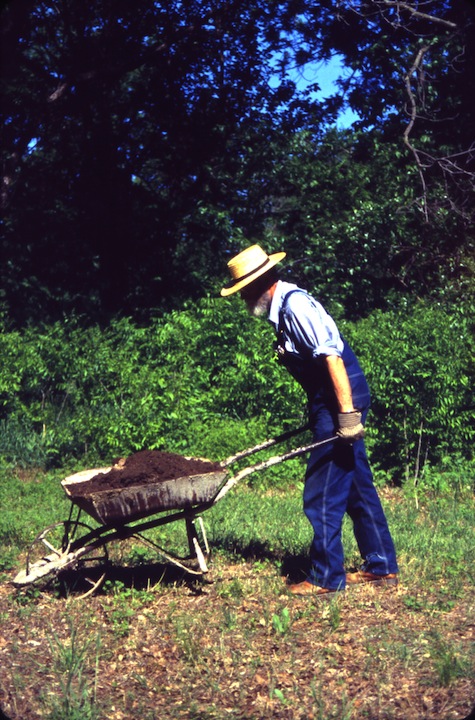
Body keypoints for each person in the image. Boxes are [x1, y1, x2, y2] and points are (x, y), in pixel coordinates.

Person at [221, 244, 398, 596]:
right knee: (357, 487)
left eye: (243, 291)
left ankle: (325, 578)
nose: (243, 299)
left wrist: (346, 416)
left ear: (258, 285)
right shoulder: (283, 312)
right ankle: (382, 567)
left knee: (322, 492)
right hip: (329, 401)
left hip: (340, 401)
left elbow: (332, 358)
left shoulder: (296, 307)